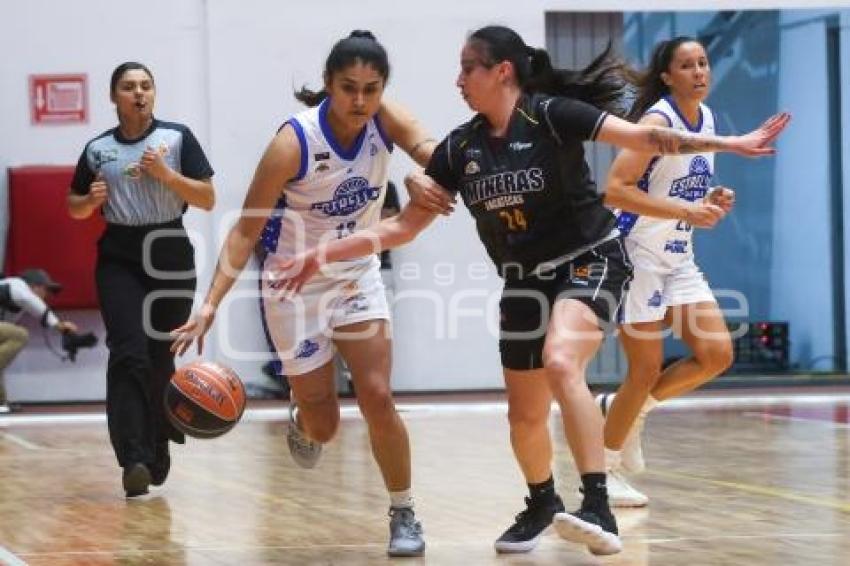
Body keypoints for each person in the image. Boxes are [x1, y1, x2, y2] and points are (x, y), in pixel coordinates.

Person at [269, 25, 789, 557]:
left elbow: (644, 139)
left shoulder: (550, 115)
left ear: (502, 72)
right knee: (523, 415)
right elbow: (401, 229)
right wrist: (321, 253)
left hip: (589, 259)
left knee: (563, 360)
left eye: (467, 68)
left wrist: (730, 143)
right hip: (522, 280)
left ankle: (597, 503)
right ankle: (542, 502)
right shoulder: (463, 147)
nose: (458, 80)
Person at [170, 31, 446, 557]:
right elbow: (245, 231)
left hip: (354, 276)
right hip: (293, 287)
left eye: (371, 88)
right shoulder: (293, 142)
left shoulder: (385, 120)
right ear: (327, 85)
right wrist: (209, 305)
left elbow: (435, 153)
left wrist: (424, 178)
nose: (360, 101)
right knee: (325, 423)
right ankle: (304, 420)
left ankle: (404, 510)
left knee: (378, 396)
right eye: (349, 88)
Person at [598, 36, 741, 508]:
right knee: (643, 371)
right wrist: (685, 207)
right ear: (666, 75)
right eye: (686, 65)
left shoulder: (710, 120)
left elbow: (681, 189)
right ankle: (604, 471)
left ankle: (626, 414)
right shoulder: (657, 121)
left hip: (678, 256)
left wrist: (710, 202)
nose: (699, 71)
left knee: (716, 354)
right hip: (636, 254)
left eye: (703, 63)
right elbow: (615, 191)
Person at [67, 62, 216, 497]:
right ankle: (133, 457)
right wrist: (88, 200)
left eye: (146, 86)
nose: (139, 93)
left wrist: (168, 176)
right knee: (127, 351)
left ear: (154, 93)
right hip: (119, 255)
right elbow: (73, 206)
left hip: (169, 250)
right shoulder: (98, 149)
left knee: (159, 356)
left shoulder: (177, 138)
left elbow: (207, 198)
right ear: (114, 97)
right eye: (129, 87)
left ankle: (158, 447)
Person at [0, 269, 79, 413]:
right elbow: (30, 301)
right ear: (34, 286)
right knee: (19, 335)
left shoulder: (12, 296)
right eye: (46, 290)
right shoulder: (17, 285)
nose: (47, 295)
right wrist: (59, 325)